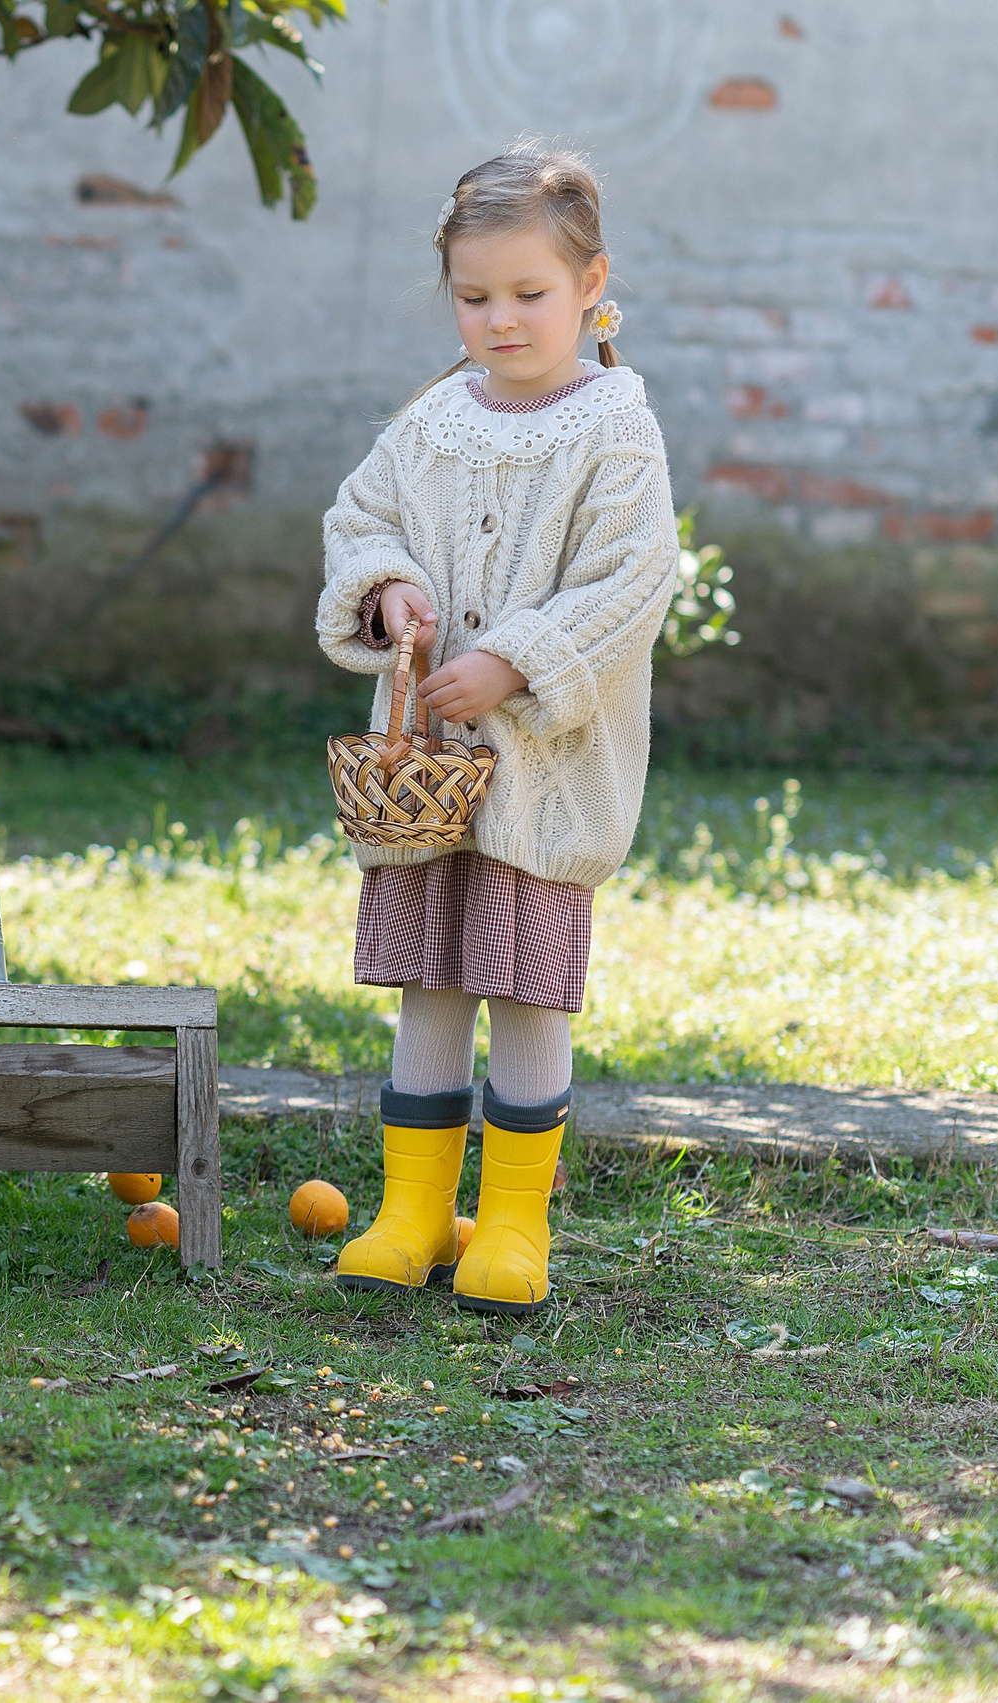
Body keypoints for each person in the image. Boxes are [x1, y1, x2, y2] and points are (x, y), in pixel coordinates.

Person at [317, 147, 678, 1315]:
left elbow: (630, 579)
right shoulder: (432, 420)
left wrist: (512, 659)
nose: (501, 318)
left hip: (540, 776)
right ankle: (413, 1209)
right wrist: (386, 588)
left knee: (523, 990)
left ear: (590, 284)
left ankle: (512, 1222)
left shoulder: (613, 425)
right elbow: (358, 515)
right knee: (429, 982)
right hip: (423, 775)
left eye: (528, 293)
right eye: (475, 298)